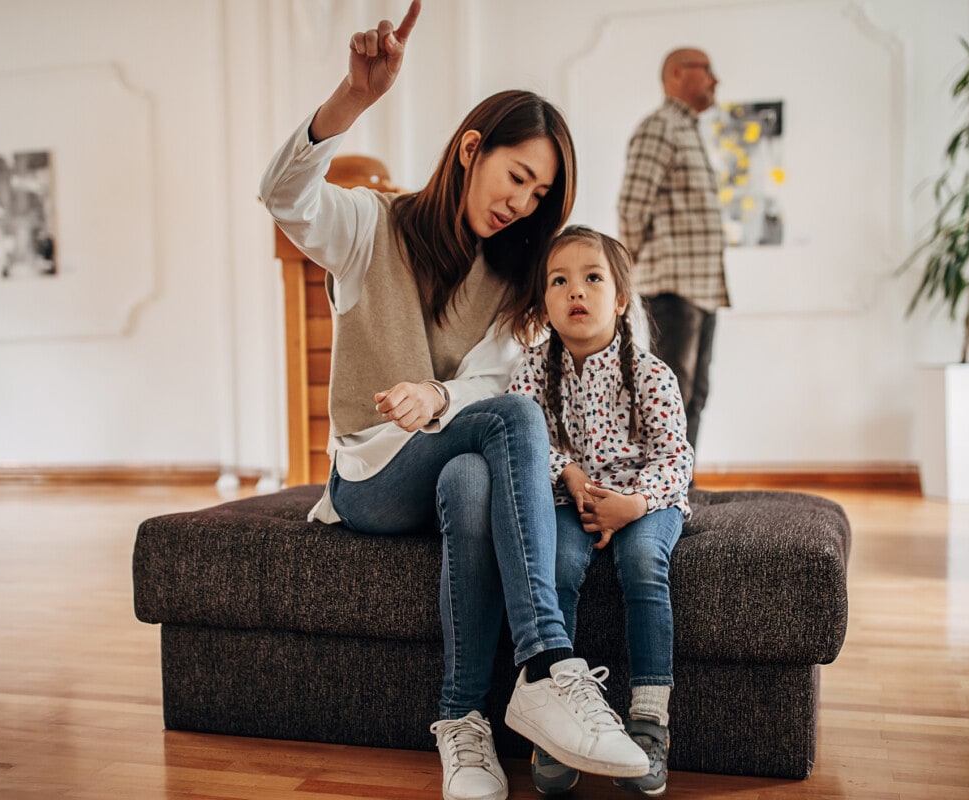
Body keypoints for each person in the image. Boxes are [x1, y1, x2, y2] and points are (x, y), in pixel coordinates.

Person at [258, 3, 648, 798]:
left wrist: (436, 395)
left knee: (471, 479)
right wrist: (352, 99)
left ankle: (463, 726)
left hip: (443, 468)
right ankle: (547, 664)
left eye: (541, 195)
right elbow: (282, 196)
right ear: (472, 150)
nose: (523, 204)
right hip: (369, 479)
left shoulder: (512, 283)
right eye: (517, 177)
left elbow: (492, 384)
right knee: (512, 421)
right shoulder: (371, 228)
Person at [508, 226, 693, 797]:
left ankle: (648, 719)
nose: (575, 292)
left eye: (592, 278)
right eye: (559, 281)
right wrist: (568, 472)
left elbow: (677, 458)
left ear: (618, 299)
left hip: (645, 498)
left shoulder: (651, 375)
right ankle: (557, 718)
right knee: (558, 567)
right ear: (544, 302)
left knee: (642, 565)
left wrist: (631, 505)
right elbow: (523, 440)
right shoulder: (532, 371)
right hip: (568, 498)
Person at [617, 47, 728, 459]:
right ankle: (663, 489)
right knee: (673, 394)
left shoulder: (689, 130)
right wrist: (629, 267)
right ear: (677, 74)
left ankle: (683, 483)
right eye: (707, 69)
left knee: (696, 392)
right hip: (672, 286)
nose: (715, 79)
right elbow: (632, 206)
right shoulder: (659, 127)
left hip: (702, 287)